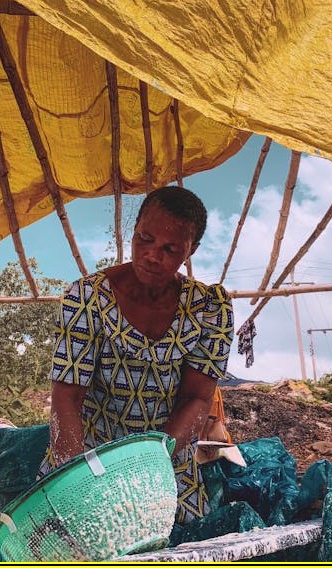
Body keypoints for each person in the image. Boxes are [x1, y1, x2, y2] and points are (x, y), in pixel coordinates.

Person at [38, 186, 234, 524]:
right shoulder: (87, 297)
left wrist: (151, 463)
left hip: (165, 460)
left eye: (170, 249)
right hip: (87, 455)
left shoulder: (209, 307)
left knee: (173, 539)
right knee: (68, 530)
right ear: (134, 231)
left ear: (191, 250)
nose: (152, 256)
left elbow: (197, 398)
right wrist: (77, 479)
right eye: (144, 239)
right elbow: (67, 397)